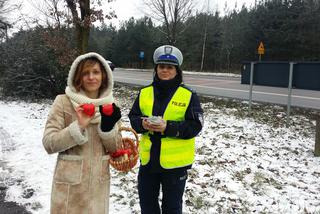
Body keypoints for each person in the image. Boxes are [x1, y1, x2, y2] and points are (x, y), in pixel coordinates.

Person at [42, 52, 122, 214]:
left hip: (98, 188)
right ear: (78, 76)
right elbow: (49, 143)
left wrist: (107, 127)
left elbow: (116, 149)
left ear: (104, 76)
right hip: (69, 190)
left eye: (96, 72)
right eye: (86, 73)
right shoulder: (63, 102)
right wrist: (78, 126)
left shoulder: (111, 105)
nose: (91, 77)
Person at [129, 45, 204, 214]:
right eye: (161, 67)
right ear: (156, 69)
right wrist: (142, 124)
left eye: (170, 67)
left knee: (172, 208)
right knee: (147, 206)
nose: (165, 70)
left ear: (177, 70)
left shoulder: (189, 95)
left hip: (175, 166)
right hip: (148, 163)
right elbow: (133, 117)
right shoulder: (144, 92)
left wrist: (168, 127)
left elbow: (196, 126)